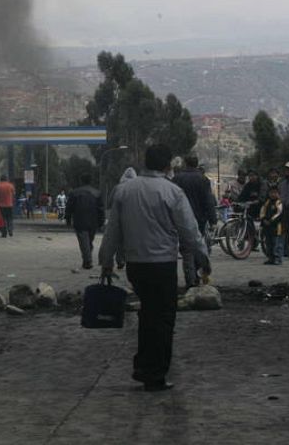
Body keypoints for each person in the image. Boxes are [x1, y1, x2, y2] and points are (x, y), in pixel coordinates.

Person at [99, 144, 209, 392]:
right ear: (167, 165)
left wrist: (106, 261)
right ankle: (155, 374)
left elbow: (112, 230)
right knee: (163, 319)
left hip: (136, 266)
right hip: (162, 265)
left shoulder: (123, 190)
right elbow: (189, 231)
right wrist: (203, 257)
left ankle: (143, 366)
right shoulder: (172, 192)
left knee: (147, 314)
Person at [172, 155, 217, 287]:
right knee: (197, 246)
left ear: (185, 163)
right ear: (196, 164)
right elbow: (209, 200)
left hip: (180, 218)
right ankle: (197, 275)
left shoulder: (177, 178)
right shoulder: (203, 179)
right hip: (199, 219)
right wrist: (212, 219)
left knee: (186, 249)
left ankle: (190, 278)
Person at [65, 174, 104, 269]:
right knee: (89, 241)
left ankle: (87, 260)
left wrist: (68, 219)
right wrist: (101, 222)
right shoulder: (97, 193)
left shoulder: (74, 193)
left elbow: (69, 208)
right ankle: (87, 259)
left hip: (79, 220)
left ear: (81, 181)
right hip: (93, 221)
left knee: (84, 241)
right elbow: (101, 209)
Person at [261, 186, 285, 265]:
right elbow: (262, 211)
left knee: (277, 244)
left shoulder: (279, 202)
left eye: (275, 193)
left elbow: (279, 213)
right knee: (269, 243)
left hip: (277, 227)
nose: (273, 194)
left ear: (278, 194)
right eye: (271, 193)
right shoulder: (267, 202)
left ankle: (278, 258)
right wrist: (263, 219)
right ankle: (271, 258)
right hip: (267, 227)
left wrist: (271, 221)